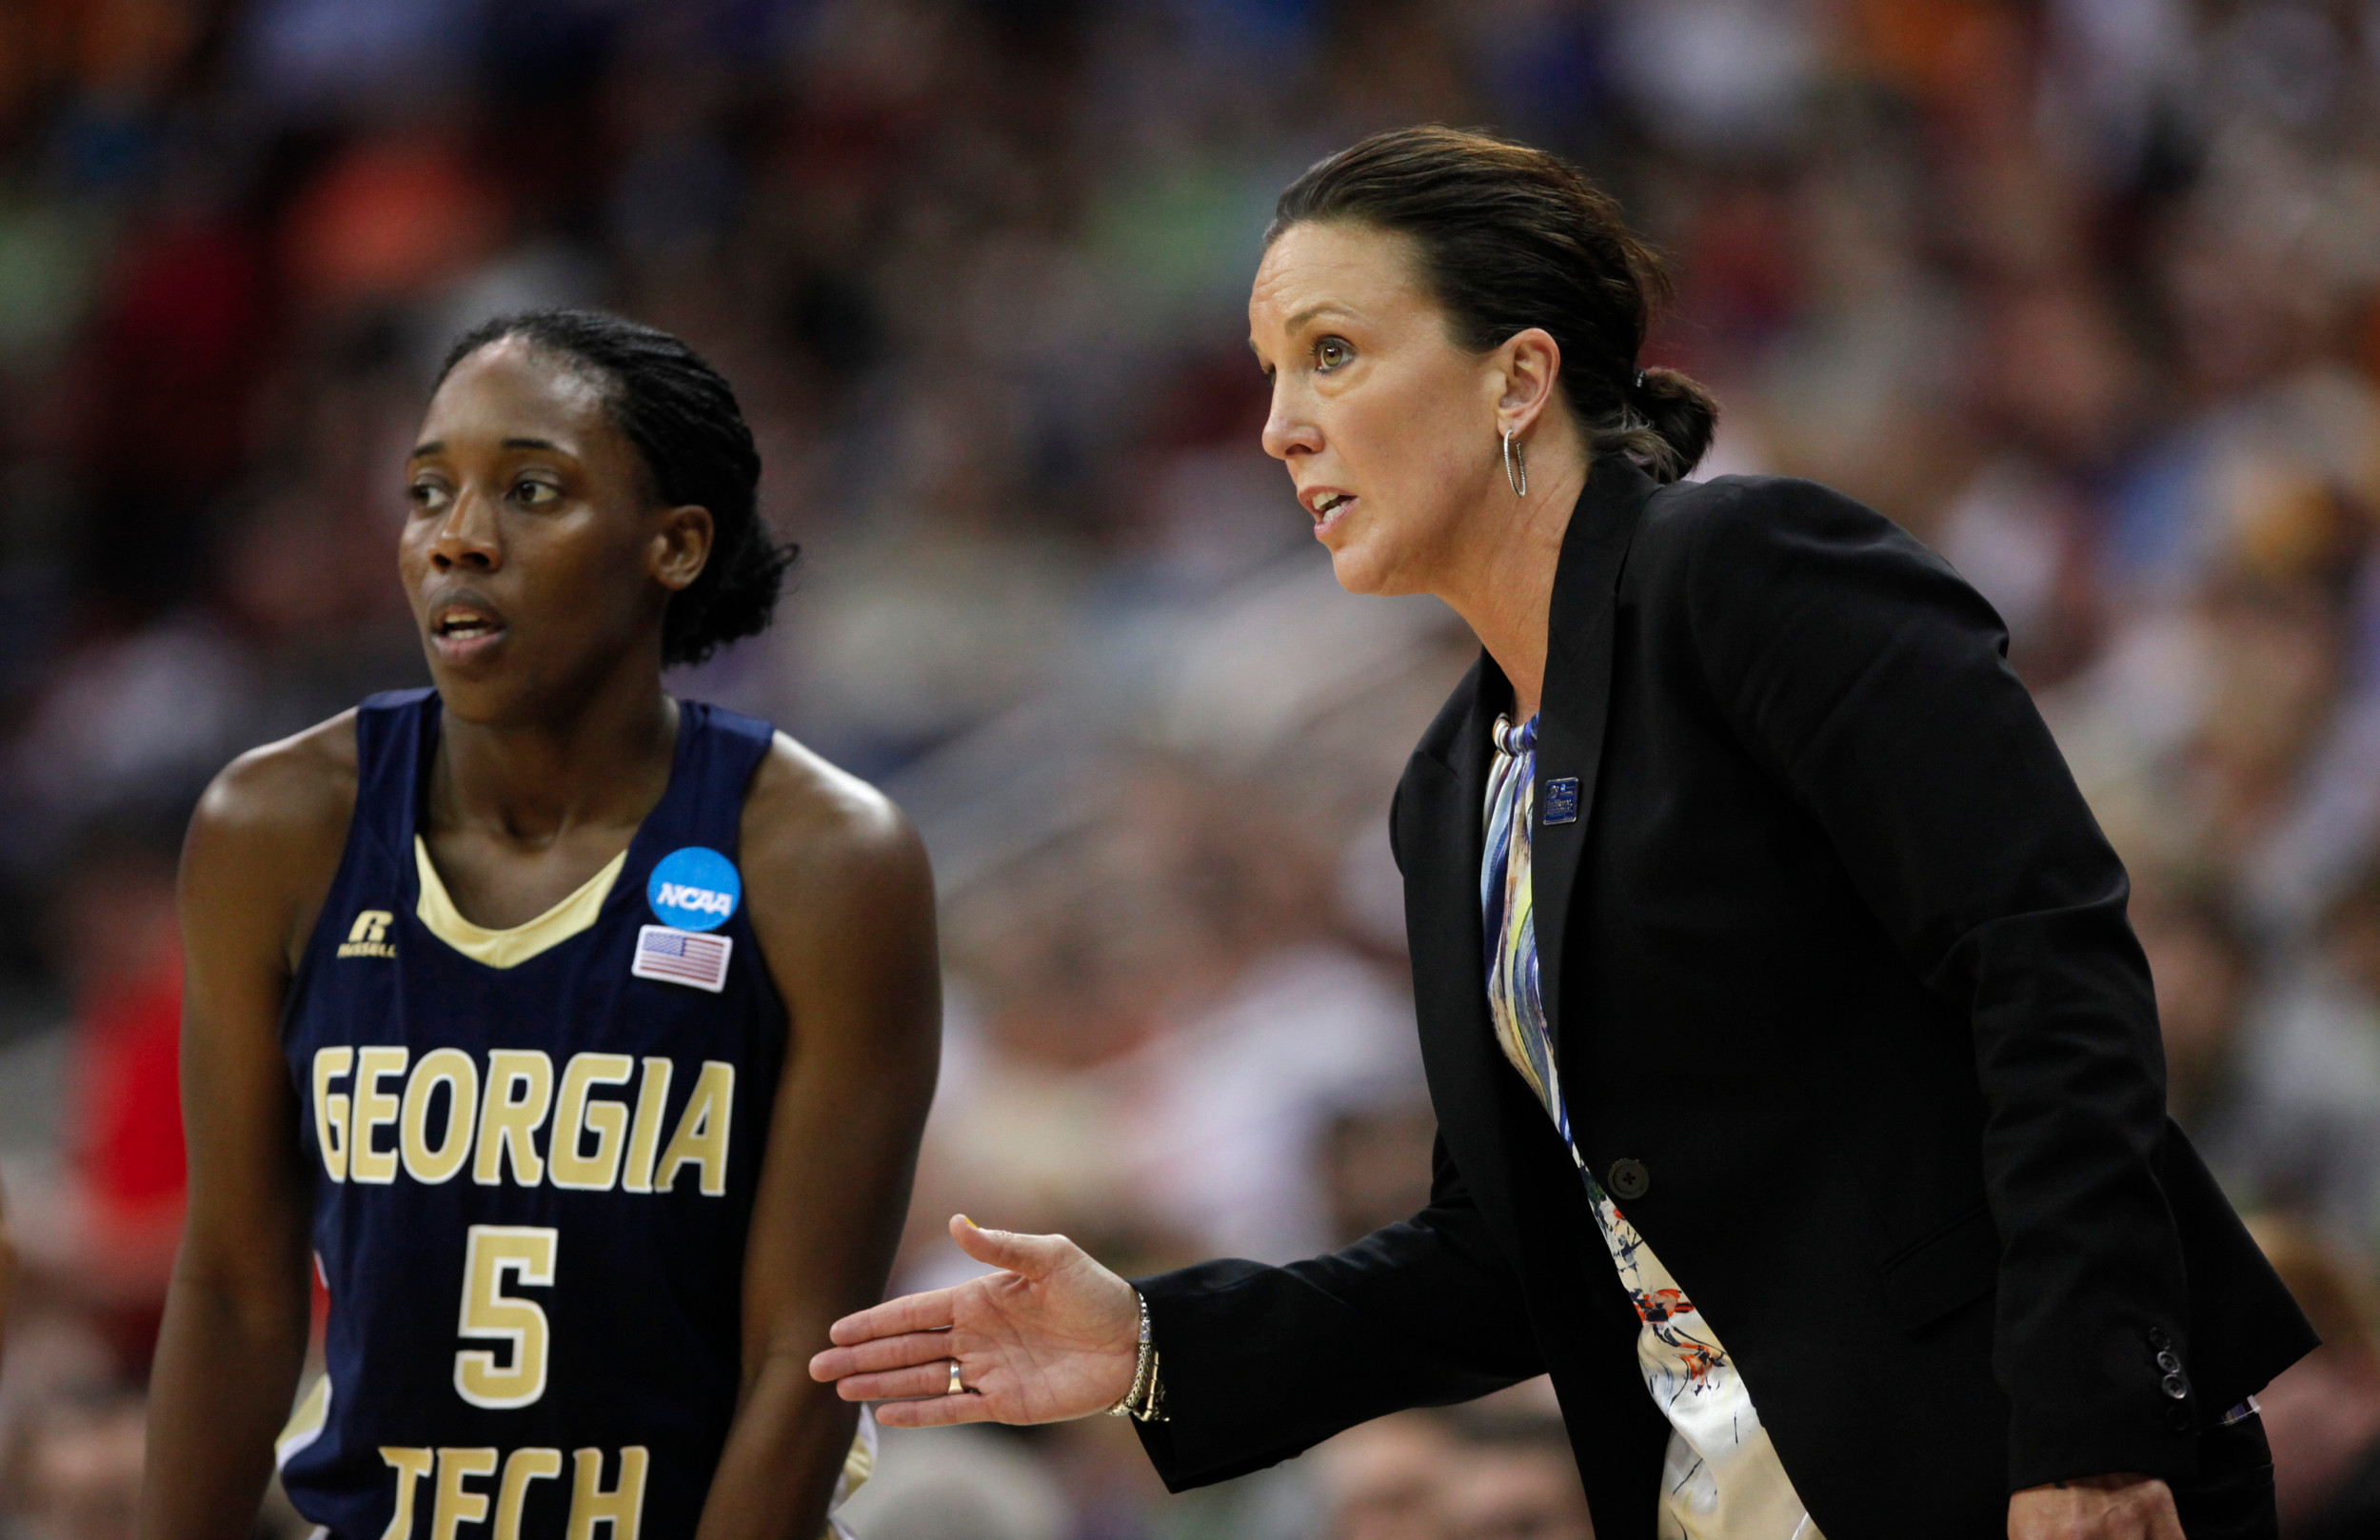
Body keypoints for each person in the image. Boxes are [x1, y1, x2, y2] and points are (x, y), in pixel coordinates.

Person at [809, 128, 2314, 1540]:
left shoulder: (1753, 572)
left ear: (1516, 377)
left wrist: (2091, 1424)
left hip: (1988, 1458)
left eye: (1332, 353)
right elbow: (1500, 1259)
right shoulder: (1445, 787)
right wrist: (1151, 1338)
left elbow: (2048, 973)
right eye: (1271, 371)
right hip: (1712, 1487)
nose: (1279, 427)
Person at [143, 310, 941, 1540]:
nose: (457, 539)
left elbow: (802, 1351)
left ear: (672, 544)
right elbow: (238, 1288)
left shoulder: (828, 856)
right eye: (426, 492)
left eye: (529, 489)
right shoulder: (275, 823)